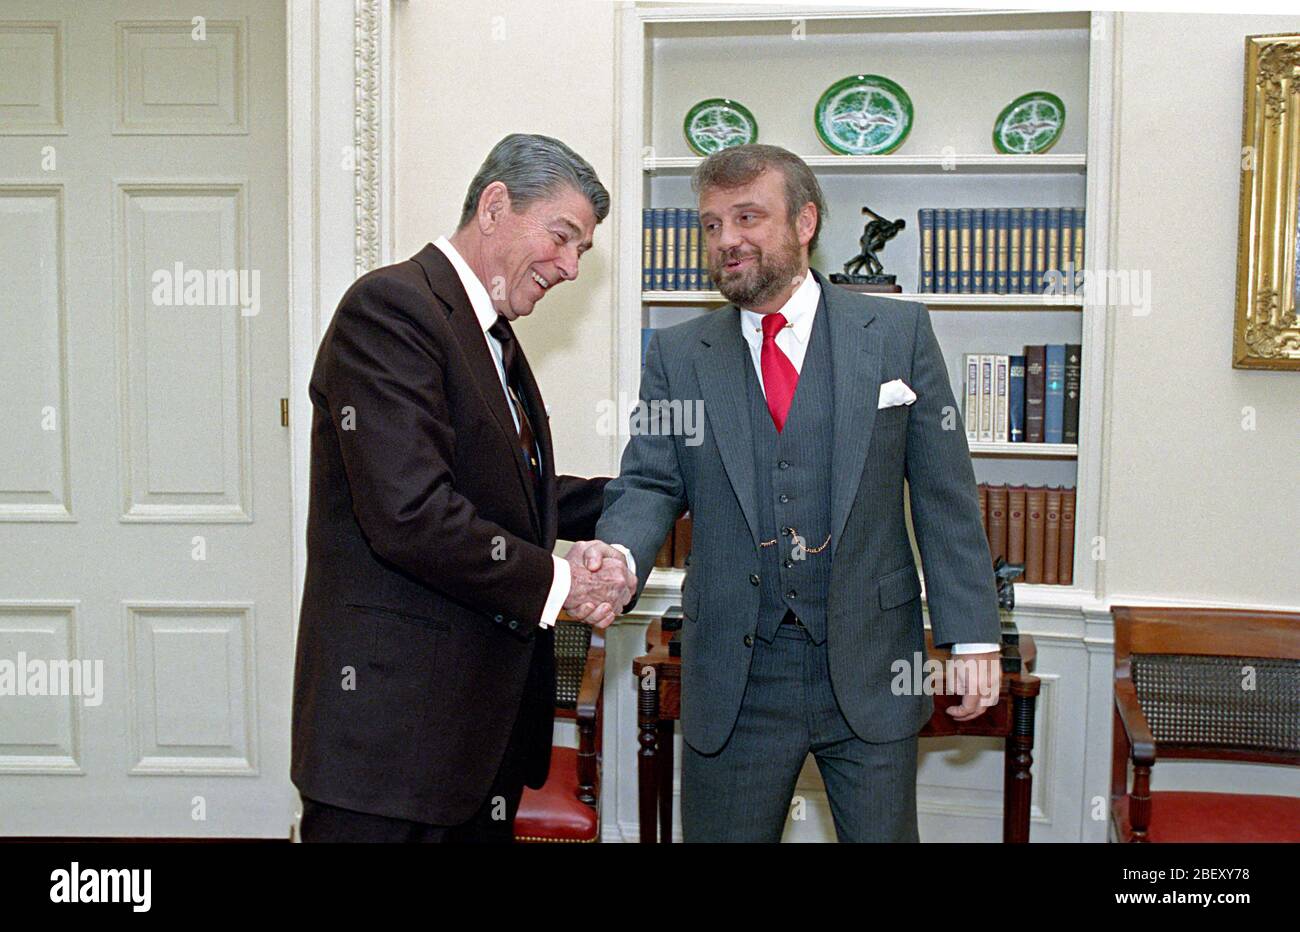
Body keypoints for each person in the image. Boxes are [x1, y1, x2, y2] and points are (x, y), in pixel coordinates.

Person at [594, 144, 1002, 842]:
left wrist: (971, 637)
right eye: (712, 225)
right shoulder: (677, 353)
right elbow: (650, 479)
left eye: (748, 217)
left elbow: (944, 495)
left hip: (873, 665)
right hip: (735, 674)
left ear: (805, 221)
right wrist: (622, 561)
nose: (727, 240)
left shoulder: (898, 334)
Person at [291, 133, 635, 842]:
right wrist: (562, 583)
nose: (571, 267)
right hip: (392, 747)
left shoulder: (495, 336)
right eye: (563, 237)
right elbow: (411, 512)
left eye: (582, 253)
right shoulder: (389, 309)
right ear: (495, 205)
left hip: (476, 744)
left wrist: (653, 494)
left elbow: (512, 495)